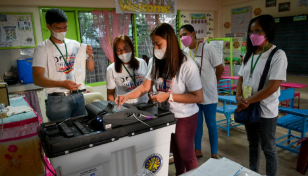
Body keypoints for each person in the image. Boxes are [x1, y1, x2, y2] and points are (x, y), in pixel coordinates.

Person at [115, 23, 203, 175]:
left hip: (185, 116)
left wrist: (169, 96)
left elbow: (198, 97)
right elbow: (145, 87)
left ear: (170, 41)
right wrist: (126, 96)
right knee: (176, 154)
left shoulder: (187, 65)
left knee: (187, 154)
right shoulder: (155, 62)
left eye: (158, 44)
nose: (155, 48)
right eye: (154, 44)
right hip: (166, 115)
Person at [236, 14, 287, 176]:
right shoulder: (249, 53)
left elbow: (273, 87)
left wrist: (247, 100)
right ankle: (253, 172)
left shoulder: (277, 55)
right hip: (247, 106)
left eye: (258, 31)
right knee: (253, 143)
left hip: (266, 111)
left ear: (268, 32)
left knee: (268, 147)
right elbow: (241, 78)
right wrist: (238, 98)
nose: (253, 35)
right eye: (251, 31)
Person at [32, 8, 95, 122]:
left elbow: (90, 68)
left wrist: (90, 56)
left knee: (83, 131)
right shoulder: (42, 48)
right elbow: (37, 78)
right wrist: (61, 83)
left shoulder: (75, 44)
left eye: (65, 27)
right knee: (62, 134)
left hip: (79, 96)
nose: (62, 31)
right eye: (58, 28)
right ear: (48, 26)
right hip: (57, 100)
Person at [179, 24, 224, 159]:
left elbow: (220, 68)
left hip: (209, 93)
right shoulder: (185, 52)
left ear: (193, 34)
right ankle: (197, 149)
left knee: (211, 124)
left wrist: (213, 83)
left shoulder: (208, 49)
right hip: (193, 95)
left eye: (185, 34)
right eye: (180, 36)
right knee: (197, 124)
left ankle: (214, 153)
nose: (183, 38)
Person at [106, 35, 149, 104]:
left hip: (145, 105)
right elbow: (110, 94)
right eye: (119, 50)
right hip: (125, 108)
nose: (123, 52)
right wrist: (114, 109)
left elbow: (148, 85)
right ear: (115, 52)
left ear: (131, 48)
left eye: (126, 48)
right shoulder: (111, 69)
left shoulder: (142, 63)